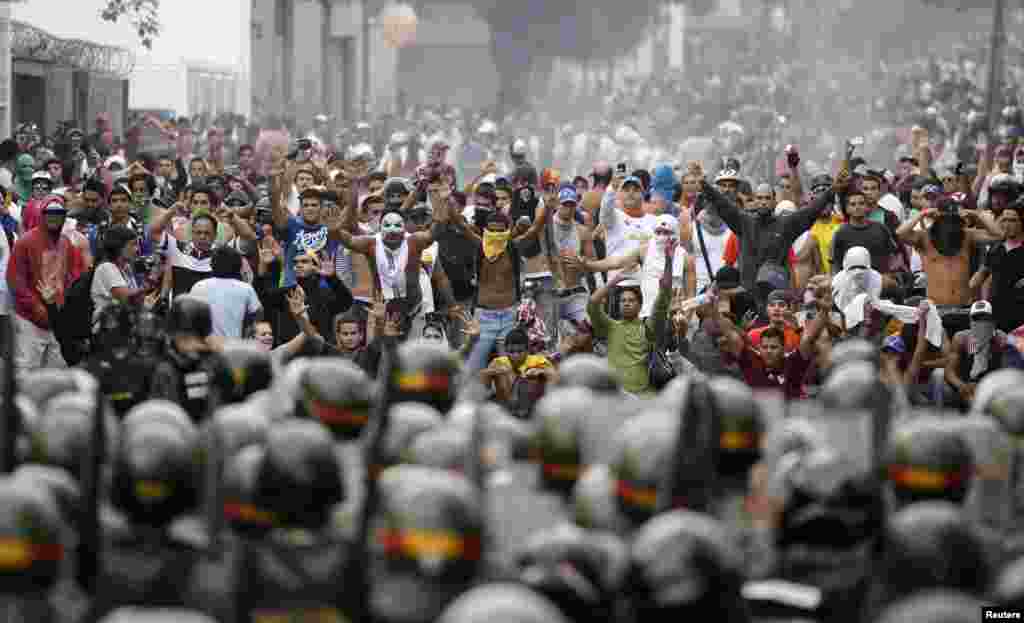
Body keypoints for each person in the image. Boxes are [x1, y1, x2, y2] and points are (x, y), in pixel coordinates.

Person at [587, 236, 675, 396]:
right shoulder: (610, 327)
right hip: (616, 399)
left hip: (644, 397)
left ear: (640, 305)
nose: (626, 303)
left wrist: (669, 260)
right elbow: (592, 303)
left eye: (631, 300)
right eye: (623, 300)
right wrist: (616, 279)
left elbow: (664, 296)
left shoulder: (648, 327)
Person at [7, 196, 86, 375]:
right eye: (50, 213)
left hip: (58, 319)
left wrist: (66, 308)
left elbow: (75, 277)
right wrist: (36, 307)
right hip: (30, 321)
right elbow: (15, 279)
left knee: (57, 374)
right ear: (42, 215)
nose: (54, 218)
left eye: (59, 214)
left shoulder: (66, 243)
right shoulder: (25, 242)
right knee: (26, 372)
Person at [189, 246, 262, 338]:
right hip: (234, 347)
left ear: (212, 264)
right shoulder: (246, 288)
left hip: (206, 347)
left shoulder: (199, 286)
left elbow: (188, 316)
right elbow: (258, 311)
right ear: (238, 266)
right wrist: (248, 328)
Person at [90, 225, 147, 324]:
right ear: (118, 246)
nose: (137, 249)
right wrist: (151, 281)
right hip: (109, 332)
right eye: (133, 244)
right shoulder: (107, 268)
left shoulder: (127, 268)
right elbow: (127, 299)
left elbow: (139, 301)